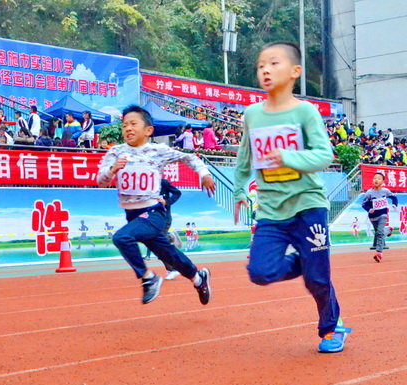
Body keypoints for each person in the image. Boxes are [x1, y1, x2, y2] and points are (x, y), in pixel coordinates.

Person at [233, 41, 347, 353]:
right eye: (260, 65)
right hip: (271, 211)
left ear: (295, 71)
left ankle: (331, 328)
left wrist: (288, 157)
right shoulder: (252, 115)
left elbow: (324, 155)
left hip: (308, 206)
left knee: (317, 282)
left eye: (273, 63)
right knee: (260, 272)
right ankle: (308, 263)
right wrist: (240, 189)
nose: (265, 70)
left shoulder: (305, 112)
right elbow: (244, 159)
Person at [97, 104, 216, 304]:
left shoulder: (157, 150)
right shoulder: (116, 152)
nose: (128, 128)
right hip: (133, 215)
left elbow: (189, 157)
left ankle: (148, 278)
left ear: (148, 130)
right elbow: (101, 181)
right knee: (169, 254)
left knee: (121, 237)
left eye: (133, 124)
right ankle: (198, 279)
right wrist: (112, 170)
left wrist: (204, 174)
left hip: (153, 212)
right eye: (125, 125)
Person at [361, 171, 398, 262]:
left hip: (383, 214)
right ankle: (389, 229)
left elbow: (394, 197)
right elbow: (364, 204)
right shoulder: (369, 193)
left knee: (380, 232)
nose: (376, 180)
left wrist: (394, 205)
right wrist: (369, 209)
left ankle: (379, 253)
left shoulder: (385, 191)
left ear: (383, 181)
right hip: (373, 216)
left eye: (378, 179)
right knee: (378, 232)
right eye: (374, 178)